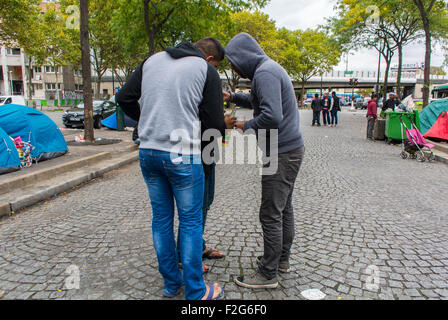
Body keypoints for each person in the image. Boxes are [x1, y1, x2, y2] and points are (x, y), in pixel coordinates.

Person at [116, 38, 236, 300]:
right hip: (184, 155)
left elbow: (123, 97)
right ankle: (196, 291)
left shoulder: (152, 60)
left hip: (148, 152)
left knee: (161, 220)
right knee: (191, 222)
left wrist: (147, 120)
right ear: (209, 58)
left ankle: (172, 284)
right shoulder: (206, 70)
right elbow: (214, 123)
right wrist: (207, 161)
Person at [223, 33, 305, 289]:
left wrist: (242, 124)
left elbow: (272, 115)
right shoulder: (268, 69)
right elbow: (258, 99)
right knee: (284, 208)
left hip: (280, 152)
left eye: (234, 62)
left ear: (244, 56)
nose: (234, 68)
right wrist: (233, 97)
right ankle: (281, 260)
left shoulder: (264, 73)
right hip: (289, 149)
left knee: (270, 213)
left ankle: (268, 273)